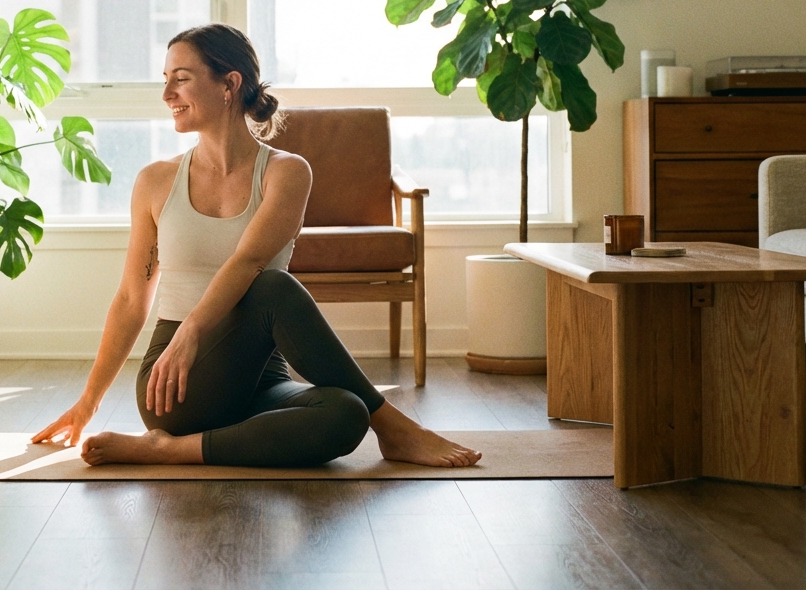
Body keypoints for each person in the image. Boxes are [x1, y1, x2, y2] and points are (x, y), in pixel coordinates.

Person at [32, 24, 481, 469]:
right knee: (274, 288)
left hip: (263, 378)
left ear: (229, 84)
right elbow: (132, 298)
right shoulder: (156, 182)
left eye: (181, 78)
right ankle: (397, 429)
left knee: (347, 414)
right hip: (179, 382)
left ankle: (168, 450)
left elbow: (248, 261)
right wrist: (88, 402)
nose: (167, 93)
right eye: (165, 79)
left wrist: (193, 330)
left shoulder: (286, 173)